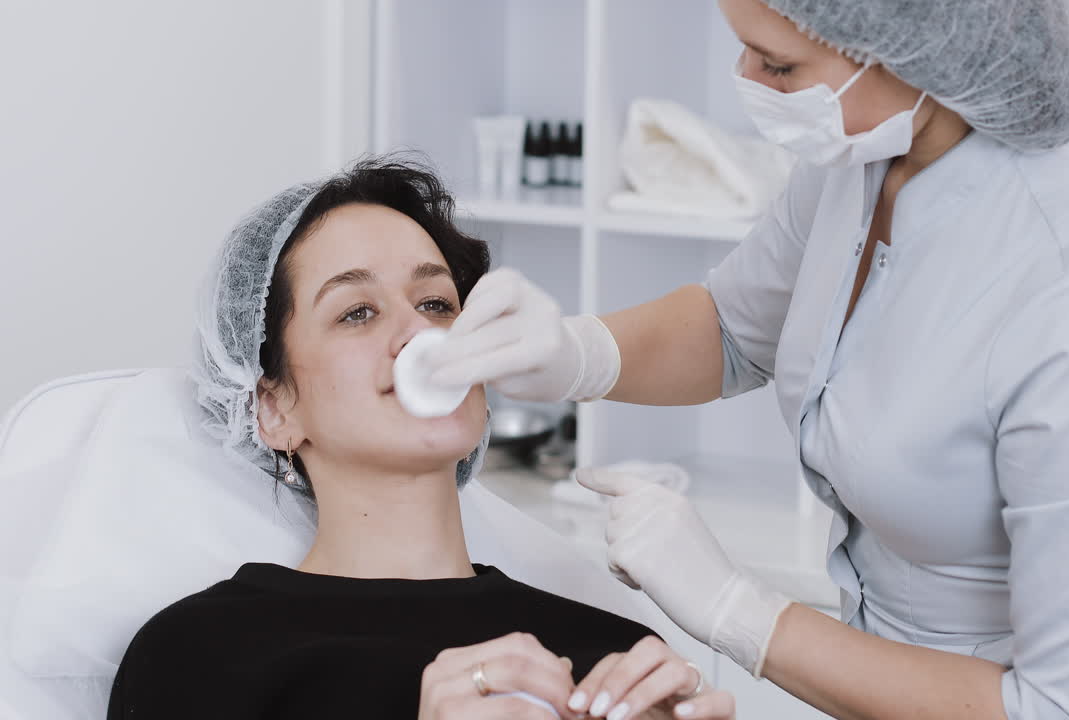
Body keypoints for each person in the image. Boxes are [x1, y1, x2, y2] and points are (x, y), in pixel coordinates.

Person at [424, 1, 1069, 718]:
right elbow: (735, 328)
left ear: (918, 57)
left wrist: (739, 610)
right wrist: (576, 353)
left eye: (779, 63)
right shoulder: (862, 158)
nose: (745, 75)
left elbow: (1066, 708)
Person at [106, 157, 735, 720]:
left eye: (437, 303)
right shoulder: (199, 656)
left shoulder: (612, 661)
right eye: (358, 311)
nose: (420, 334)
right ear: (272, 408)